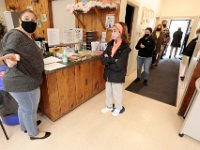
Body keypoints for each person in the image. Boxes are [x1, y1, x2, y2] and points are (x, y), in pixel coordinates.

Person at [1, 9, 51, 140]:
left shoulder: (26, 35)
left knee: (24, 107)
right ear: (20, 20)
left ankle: (25, 127)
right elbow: (9, 50)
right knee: (30, 109)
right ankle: (33, 133)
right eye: (27, 18)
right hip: (22, 81)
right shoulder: (16, 35)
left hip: (24, 79)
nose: (31, 22)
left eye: (34, 20)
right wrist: (9, 59)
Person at [101, 22, 131, 116]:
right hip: (108, 74)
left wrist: (108, 60)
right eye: (112, 31)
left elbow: (119, 66)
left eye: (115, 31)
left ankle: (118, 108)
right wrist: (113, 60)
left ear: (121, 32)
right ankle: (109, 106)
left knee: (117, 94)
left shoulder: (125, 48)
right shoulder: (110, 44)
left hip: (117, 75)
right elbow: (102, 59)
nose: (112, 33)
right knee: (108, 92)